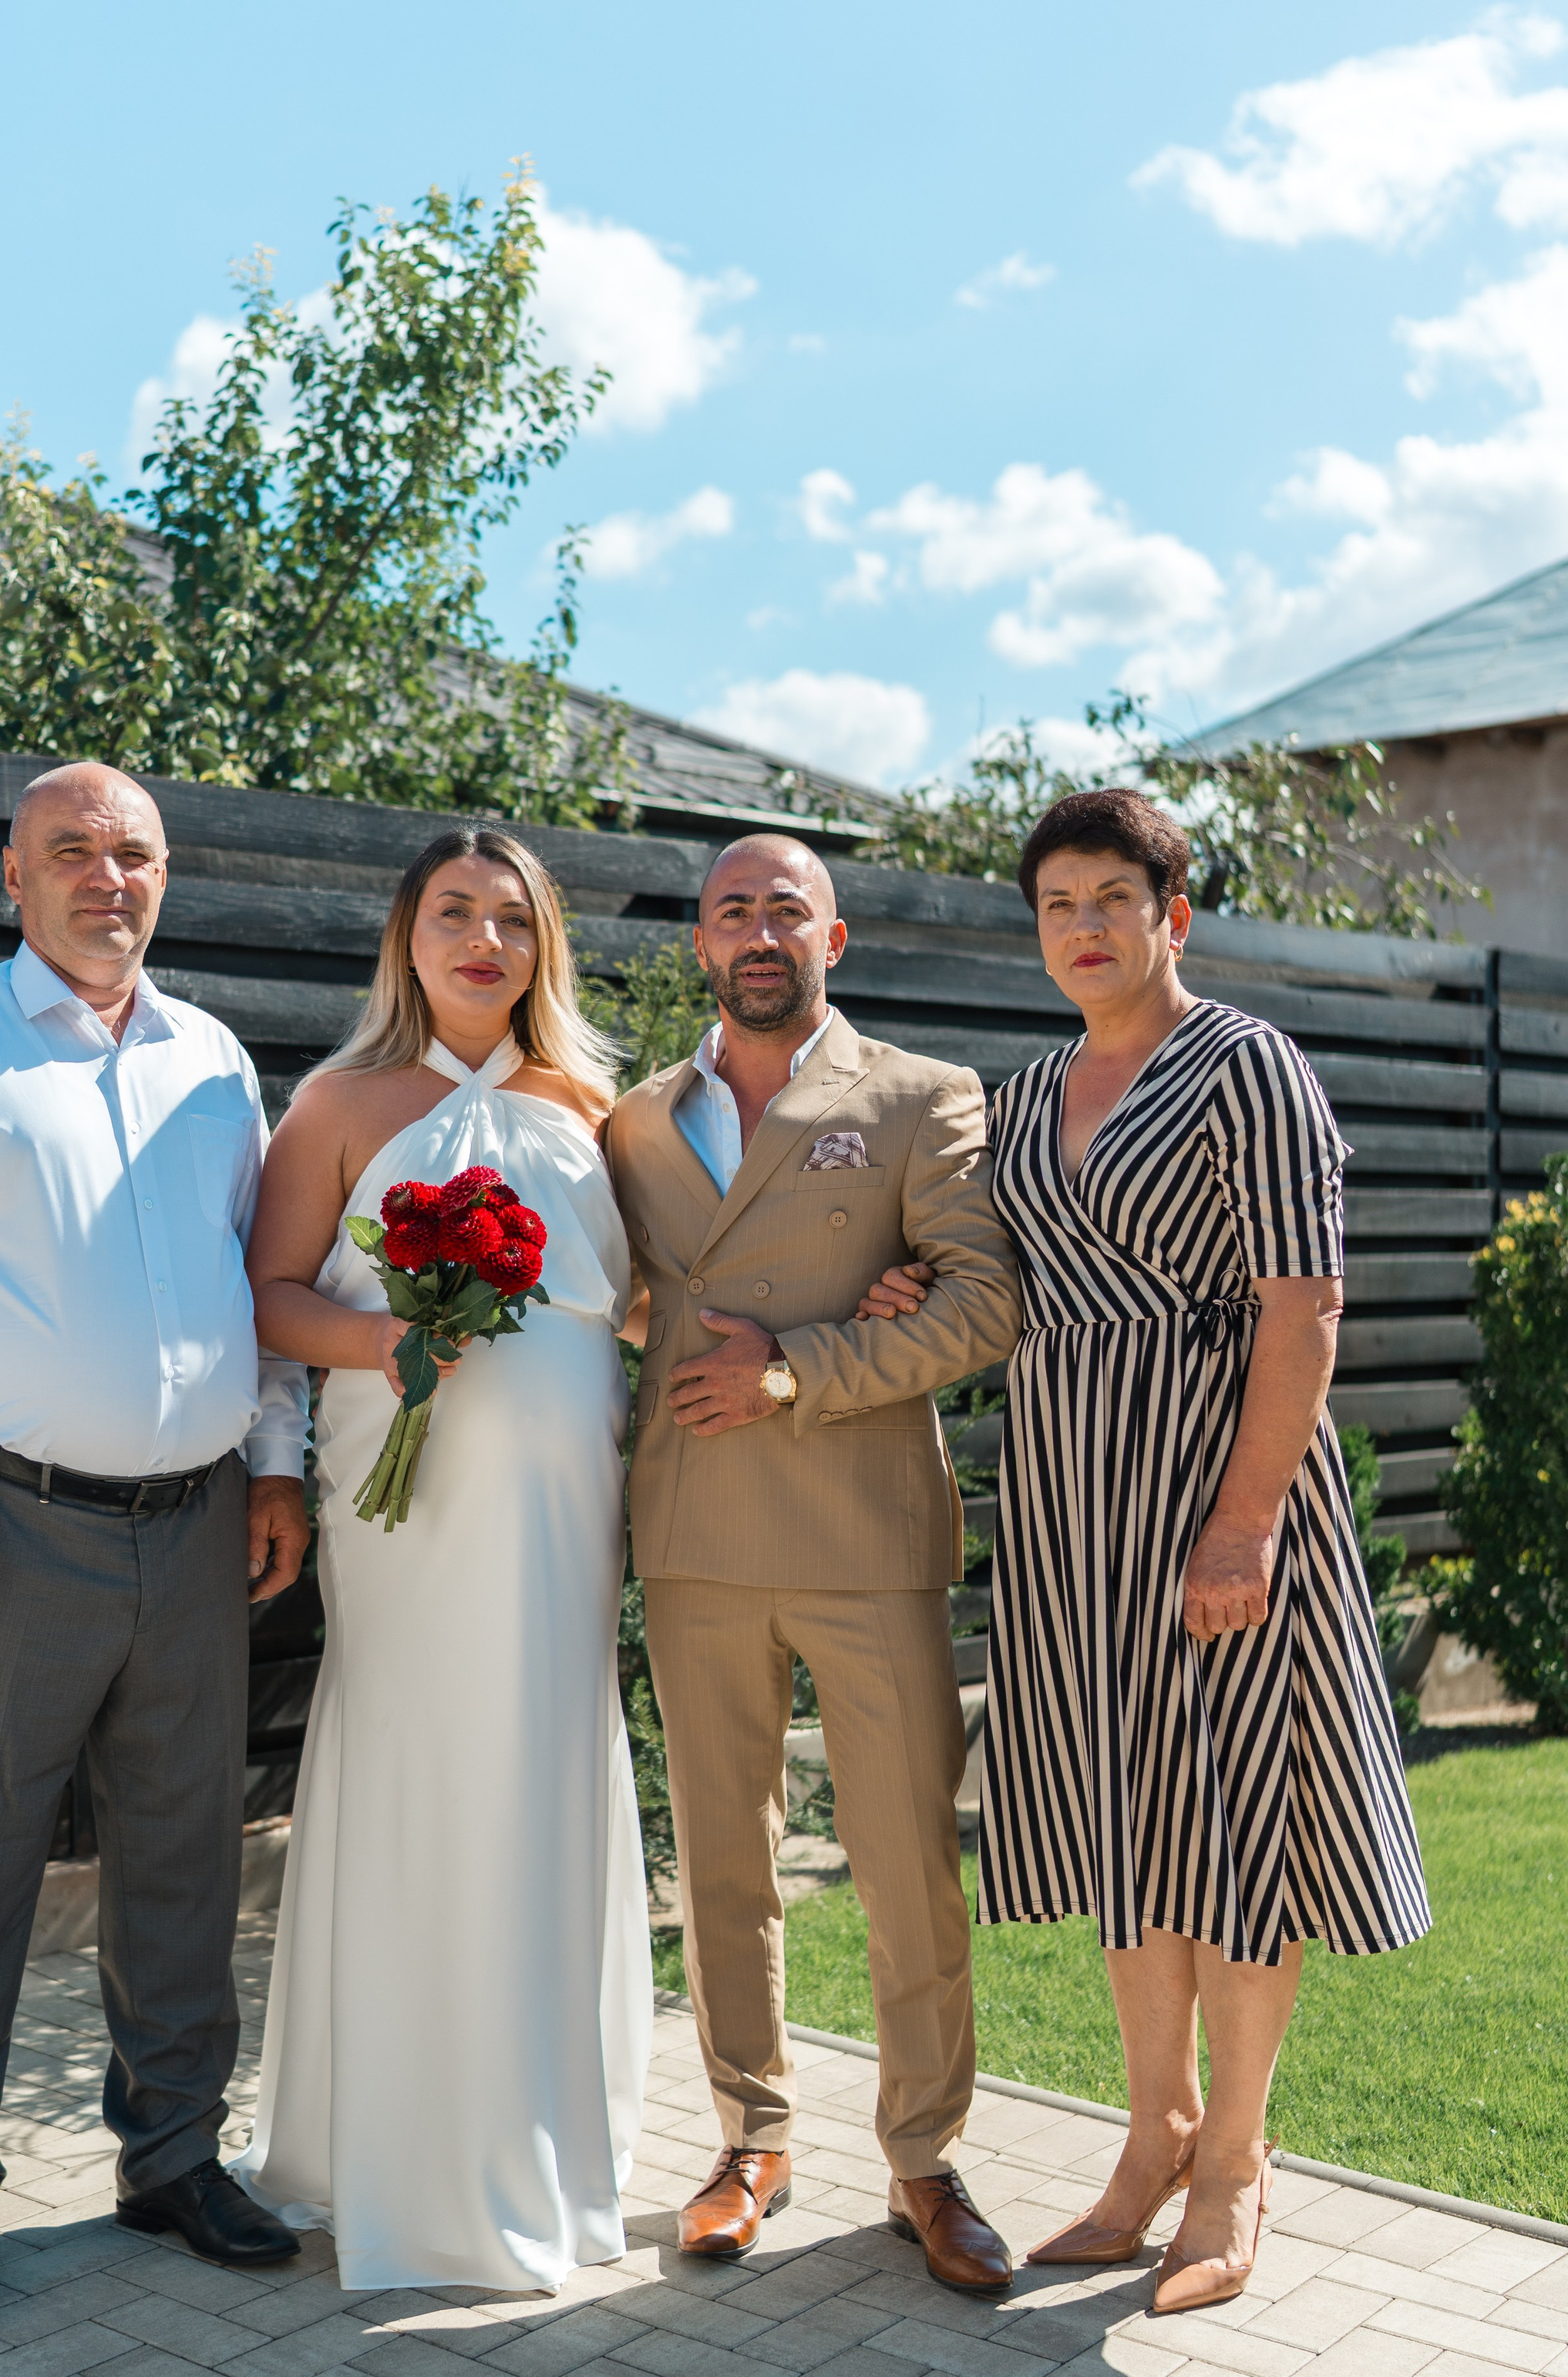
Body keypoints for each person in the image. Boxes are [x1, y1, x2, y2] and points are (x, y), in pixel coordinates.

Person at [863, 789, 1430, 2314]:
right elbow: (1003, 1274)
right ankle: (1152, 2131)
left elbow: (1299, 1307)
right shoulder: (1030, 1083)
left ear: (1171, 915)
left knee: (1237, 1819)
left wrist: (1243, 1518)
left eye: (1112, 895)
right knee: (1130, 1817)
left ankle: (1235, 2161)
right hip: (1069, 1511)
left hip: (1213, 1494)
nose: (1083, 925)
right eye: (1055, 903)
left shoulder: (1249, 1067)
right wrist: (901, 1281)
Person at [0, 762, 314, 2339]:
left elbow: (260, 1281)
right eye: (72, 851)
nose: (108, 877)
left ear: (166, 878)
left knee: (183, 1860)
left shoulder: (218, 1062)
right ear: (12, 880)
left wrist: (277, 1467)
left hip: (197, 1523)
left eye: (135, 853)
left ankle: (169, 2155)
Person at [232, 823, 650, 2292]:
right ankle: (391, 2148)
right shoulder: (339, 1101)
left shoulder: (601, 1105)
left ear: (549, 945)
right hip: (401, 1514)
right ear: (406, 935)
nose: (484, 940)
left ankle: (539, 2133)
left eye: (514, 918)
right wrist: (387, 1343)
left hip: (560, 1521)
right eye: (454, 912)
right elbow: (271, 1296)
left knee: (537, 1774)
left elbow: (655, 1298)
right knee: (421, 1767)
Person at [604, 834, 1023, 2289]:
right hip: (697, 1531)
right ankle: (750, 2138)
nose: (761, 928)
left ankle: (925, 2159)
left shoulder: (921, 1095)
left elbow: (983, 1304)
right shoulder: (639, 1120)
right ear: (702, 947)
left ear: (834, 938)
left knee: (908, 1864)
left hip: (864, 1533)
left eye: (789, 906)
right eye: (734, 910)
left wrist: (805, 1360)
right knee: (726, 1858)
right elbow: (629, 1301)